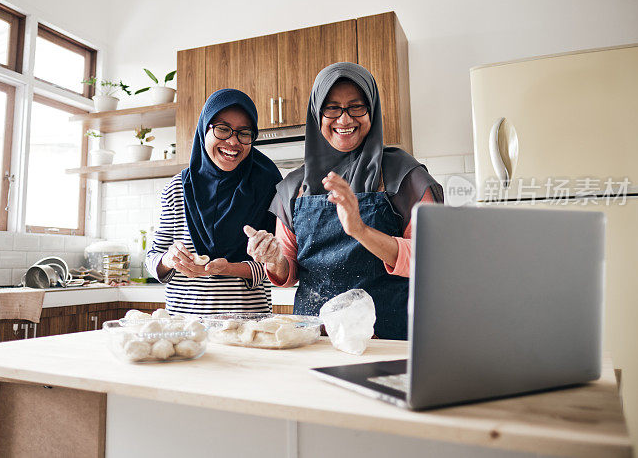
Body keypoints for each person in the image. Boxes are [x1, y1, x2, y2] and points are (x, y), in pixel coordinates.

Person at [244, 62, 443, 339]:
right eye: (332, 108)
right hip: (315, 340)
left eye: (356, 106)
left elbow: (431, 259)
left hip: (387, 339)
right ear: (317, 113)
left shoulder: (405, 176)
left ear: (371, 110)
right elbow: (287, 273)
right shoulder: (293, 187)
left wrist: (360, 230)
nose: (345, 119)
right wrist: (274, 259)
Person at [145, 88, 282, 315]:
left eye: (244, 132)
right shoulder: (177, 188)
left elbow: (276, 264)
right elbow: (153, 259)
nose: (233, 141)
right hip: (184, 326)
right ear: (204, 129)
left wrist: (228, 269)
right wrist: (170, 259)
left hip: (247, 326)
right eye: (222, 129)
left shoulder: (267, 185)